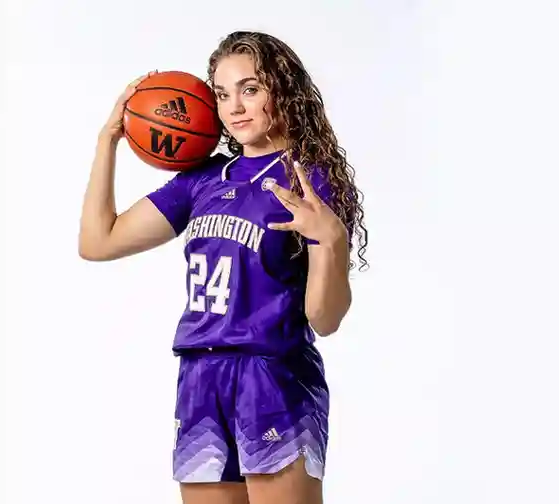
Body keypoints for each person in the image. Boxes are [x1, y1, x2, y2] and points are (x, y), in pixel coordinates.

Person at [79, 31, 368, 504]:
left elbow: (325, 318)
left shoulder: (309, 178)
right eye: (222, 93)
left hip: (271, 374)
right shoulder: (203, 181)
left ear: (283, 90)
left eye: (250, 89)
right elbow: (98, 241)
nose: (234, 106)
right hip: (200, 376)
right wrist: (107, 141)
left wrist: (330, 241)